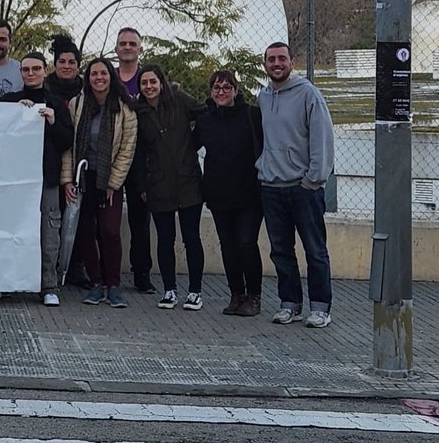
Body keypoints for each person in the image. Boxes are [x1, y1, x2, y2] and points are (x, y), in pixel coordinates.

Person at [257, 42, 335, 328]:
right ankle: (290, 303)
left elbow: (321, 139)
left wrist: (313, 179)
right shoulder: (263, 97)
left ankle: (321, 306)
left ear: (291, 62)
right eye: (271, 60)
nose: (276, 64)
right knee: (280, 251)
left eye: (282, 59)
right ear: (265, 64)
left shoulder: (308, 95)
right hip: (271, 187)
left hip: (303, 189)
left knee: (314, 249)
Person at [60, 58, 137, 308]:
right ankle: (96, 283)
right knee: (85, 231)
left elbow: (127, 149)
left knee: (110, 231)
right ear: (88, 77)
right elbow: (69, 146)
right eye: (94, 74)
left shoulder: (125, 108)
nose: (99, 78)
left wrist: (114, 183)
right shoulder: (77, 104)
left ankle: (113, 285)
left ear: (110, 77)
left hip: (109, 181)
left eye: (103, 73)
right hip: (83, 178)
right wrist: (67, 180)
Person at [128, 64, 205, 312]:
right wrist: (142, 184)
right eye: (144, 83)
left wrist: (194, 145)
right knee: (164, 240)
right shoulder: (138, 111)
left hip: (188, 180)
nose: (149, 87)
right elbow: (137, 153)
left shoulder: (180, 100)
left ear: (161, 82)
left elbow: (203, 114)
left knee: (192, 238)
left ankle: (195, 291)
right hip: (157, 184)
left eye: (153, 81)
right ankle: (169, 290)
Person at [0, 52, 73, 307]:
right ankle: (5, 282)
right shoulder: (8, 101)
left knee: (48, 232)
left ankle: (48, 285)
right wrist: (15, 115)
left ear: (45, 70)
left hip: (46, 178)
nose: (31, 74)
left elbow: (66, 141)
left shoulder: (57, 103)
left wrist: (51, 120)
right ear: (20, 73)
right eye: (26, 70)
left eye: (36, 69)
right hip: (13, 180)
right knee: (9, 229)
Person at [193, 70, 264, 317]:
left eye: (226, 87)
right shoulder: (205, 120)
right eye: (216, 88)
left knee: (246, 244)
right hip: (219, 194)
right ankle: (236, 294)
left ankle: (254, 296)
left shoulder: (252, 115)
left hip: (249, 195)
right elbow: (187, 147)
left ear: (235, 90)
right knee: (228, 246)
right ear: (211, 92)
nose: (221, 92)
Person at [114, 26, 154, 294]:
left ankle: (142, 273)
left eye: (132, 43)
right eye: (123, 43)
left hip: (141, 159)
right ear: (116, 48)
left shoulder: (148, 79)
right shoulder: (107, 77)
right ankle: (105, 273)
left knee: (140, 219)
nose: (127, 47)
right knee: (106, 216)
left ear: (140, 48)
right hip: (112, 155)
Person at [46, 34, 83, 102]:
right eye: (62, 62)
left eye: (71, 62)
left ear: (78, 66)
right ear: (55, 64)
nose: (66, 66)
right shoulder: (44, 87)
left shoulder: (86, 88)